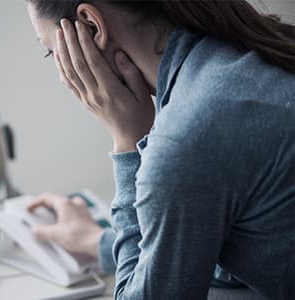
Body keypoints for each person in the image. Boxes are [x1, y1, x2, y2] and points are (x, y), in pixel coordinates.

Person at [24, 1, 295, 299]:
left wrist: (128, 142)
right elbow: (211, 239)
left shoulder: (188, 139)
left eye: (51, 50)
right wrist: (98, 242)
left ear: (91, 26)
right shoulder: (249, 52)